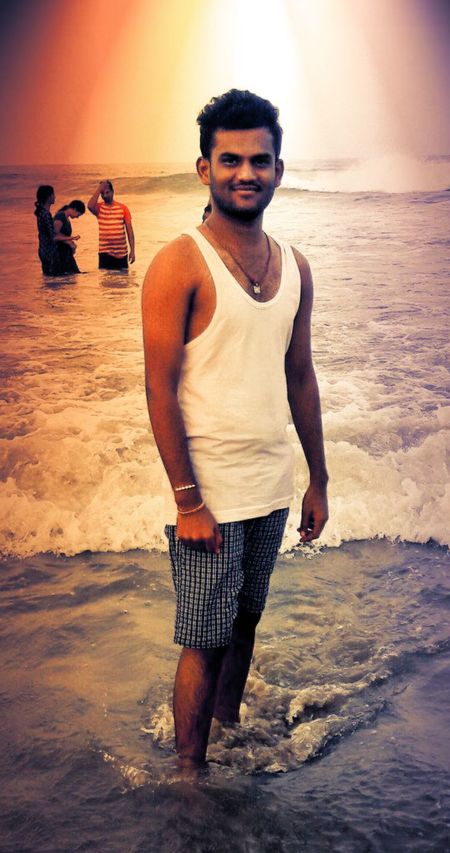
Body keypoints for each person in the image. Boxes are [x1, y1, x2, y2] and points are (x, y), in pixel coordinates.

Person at [142, 89, 329, 775]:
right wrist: (188, 500)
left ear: (279, 169)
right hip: (209, 498)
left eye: (259, 160)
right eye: (230, 160)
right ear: (205, 169)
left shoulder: (295, 267)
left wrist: (317, 480)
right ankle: (189, 776)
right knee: (203, 637)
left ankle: (226, 730)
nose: (245, 173)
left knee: (245, 622)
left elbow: (301, 377)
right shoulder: (179, 263)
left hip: (270, 486)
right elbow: (159, 389)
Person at [87, 180, 135, 269]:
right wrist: (99, 189)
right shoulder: (99, 208)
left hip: (121, 253)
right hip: (105, 253)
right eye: (102, 193)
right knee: (105, 277)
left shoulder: (123, 208)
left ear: (113, 192)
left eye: (107, 192)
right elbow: (89, 206)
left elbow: (130, 231)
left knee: (122, 277)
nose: (105, 196)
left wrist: (132, 251)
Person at [53, 200, 85, 274]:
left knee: (73, 276)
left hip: (65, 253)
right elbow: (54, 235)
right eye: (78, 214)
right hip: (60, 253)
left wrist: (70, 242)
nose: (77, 217)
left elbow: (60, 234)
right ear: (75, 209)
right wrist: (71, 239)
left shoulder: (65, 218)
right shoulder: (60, 216)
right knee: (72, 275)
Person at [34, 185, 59, 275]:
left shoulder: (41, 213)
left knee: (48, 278)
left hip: (43, 249)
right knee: (53, 277)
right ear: (49, 197)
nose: (55, 197)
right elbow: (53, 236)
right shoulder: (45, 214)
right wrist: (69, 240)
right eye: (53, 194)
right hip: (49, 251)